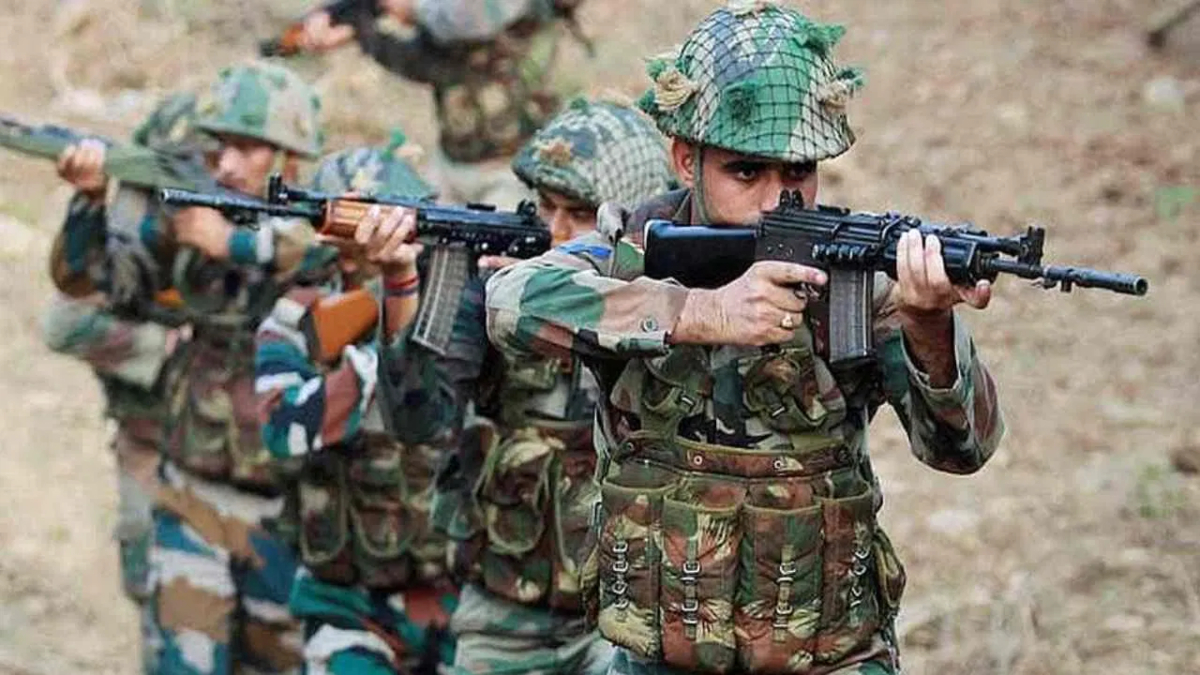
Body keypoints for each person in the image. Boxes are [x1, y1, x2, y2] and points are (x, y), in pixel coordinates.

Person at [484, 3, 1005, 674]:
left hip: (829, 655)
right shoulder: (634, 254)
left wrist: (929, 327)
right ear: (685, 160)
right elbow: (510, 302)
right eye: (746, 172)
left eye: (798, 172)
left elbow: (962, 451)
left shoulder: (854, 281)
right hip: (662, 654)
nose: (775, 201)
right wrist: (701, 312)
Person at [437, 97, 675, 675]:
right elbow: (419, 420)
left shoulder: (680, 305)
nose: (556, 231)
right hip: (507, 613)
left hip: (629, 623)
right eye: (546, 206)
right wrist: (455, 300)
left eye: (582, 214)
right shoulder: (498, 288)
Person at [255, 143, 487, 675]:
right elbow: (280, 428)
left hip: (454, 592)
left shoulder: (454, 306)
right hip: (346, 595)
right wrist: (382, 355)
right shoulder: (299, 316)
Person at [148, 60, 328, 675]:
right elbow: (105, 283)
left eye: (246, 148)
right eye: (219, 147)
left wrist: (232, 244)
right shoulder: (201, 214)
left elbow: (327, 249)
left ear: (291, 156)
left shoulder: (323, 225)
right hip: (192, 493)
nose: (225, 164)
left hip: (282, 512)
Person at [42, 91, 207, 675]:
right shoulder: (128, 227)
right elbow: (67, 323)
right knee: (163, 614)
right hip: (153, 445)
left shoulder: (247, 236)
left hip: (242, 467)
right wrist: (170, 349)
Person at [294, 0, 574, 208]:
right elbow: (426, 64)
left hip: (516, 167)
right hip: (454, 162)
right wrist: (362, 28)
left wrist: (405, 8)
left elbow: (468, 19)